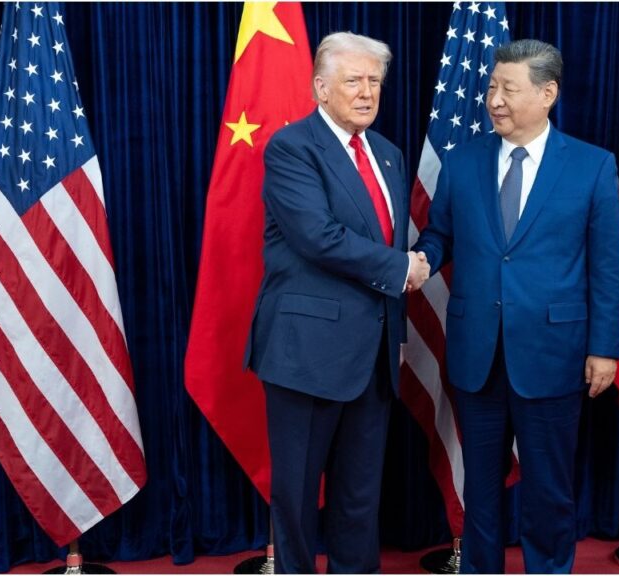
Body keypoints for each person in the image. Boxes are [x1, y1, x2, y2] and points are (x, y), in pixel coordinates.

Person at [412, 39, 619, 573]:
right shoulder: (461, 163)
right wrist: (419, 260)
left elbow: (607, 267)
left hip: (554, 355)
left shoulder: (592, 166)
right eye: (491, 87)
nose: (495, 100)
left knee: (549, 491)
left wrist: (605, 348)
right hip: (475, 355)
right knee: (479, 491)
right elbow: (441, 237)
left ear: (548, 93)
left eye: (509, 88)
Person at [243, 31, 429, 574]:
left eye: (375, 81)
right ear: (321, 87)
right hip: (306, 352)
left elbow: (389, 237)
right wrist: (403, 269)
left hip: (373, 355)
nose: (367, 92)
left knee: (359, 495)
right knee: (298, 496)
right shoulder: (292, 147)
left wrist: (395, 335)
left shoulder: (390, 155)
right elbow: (317, 236)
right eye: (354, 80)